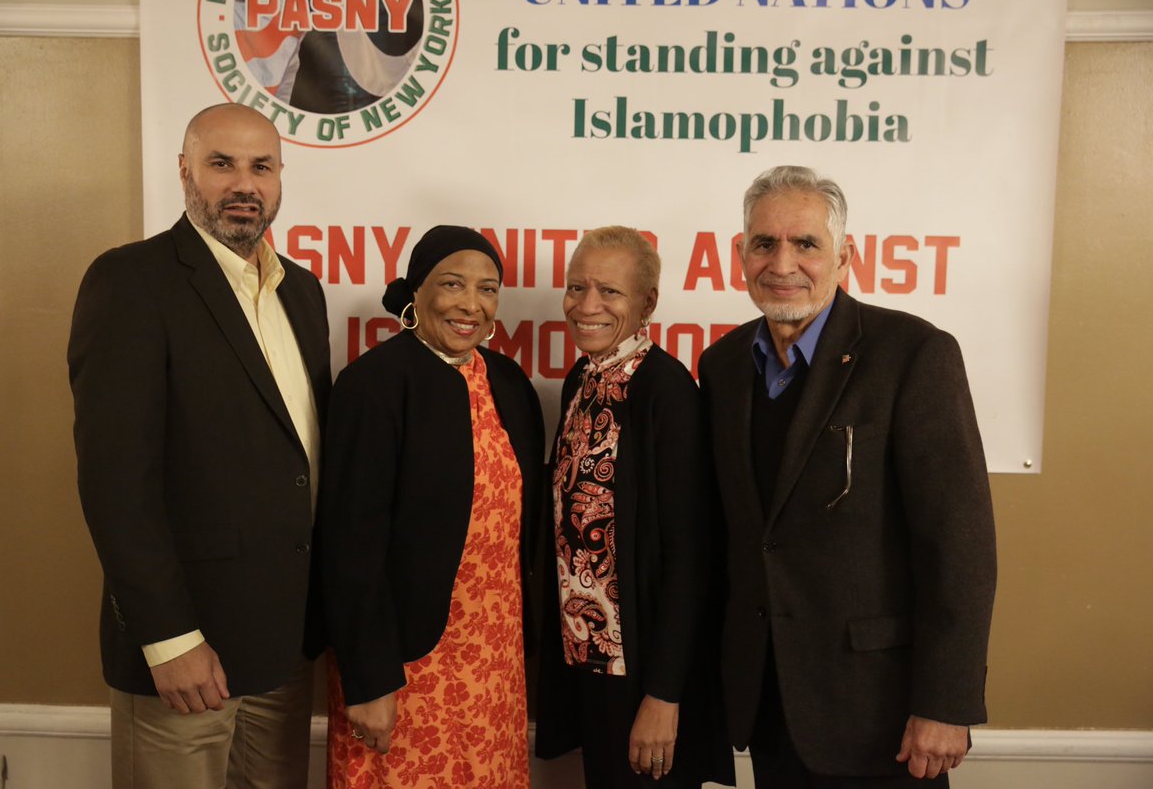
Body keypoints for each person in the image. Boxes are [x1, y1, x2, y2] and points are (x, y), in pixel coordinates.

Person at [697, 166, 997, 787]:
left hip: (881, 714)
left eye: (806, 243)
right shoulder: (723, 366)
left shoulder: (913, 353)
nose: (783, 263)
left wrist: (946, 702)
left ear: (844, 257)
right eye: (764, 243)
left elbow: (958, 545)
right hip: (771, 706)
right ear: (740, 255)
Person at [68, 103, 331, 789]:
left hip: (283, 652)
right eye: (222, 164)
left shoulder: (302, 292)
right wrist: (171, 638)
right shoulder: (131, 282)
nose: (244, 184)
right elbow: (115, 483)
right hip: (185, 658)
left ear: (279, 178)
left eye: (261, 166)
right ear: (186, 173)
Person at [316, 225, 544, 788]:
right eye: (452, 284)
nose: (472, 304)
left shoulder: (510, 382)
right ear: (416, 292)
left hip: (494, 662)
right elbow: (349, 543)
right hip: (404, 665)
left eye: (488, 289)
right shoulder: (372, 385)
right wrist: (369, 679)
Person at [534, 226, 735, 788]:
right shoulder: (580, 379)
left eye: (610, 292)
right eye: (576, 287)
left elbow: (690, 558)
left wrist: (663, 695)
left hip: (645, 675)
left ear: (648, 302)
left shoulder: (665, 393)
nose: (586, 305)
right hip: (591, 668)